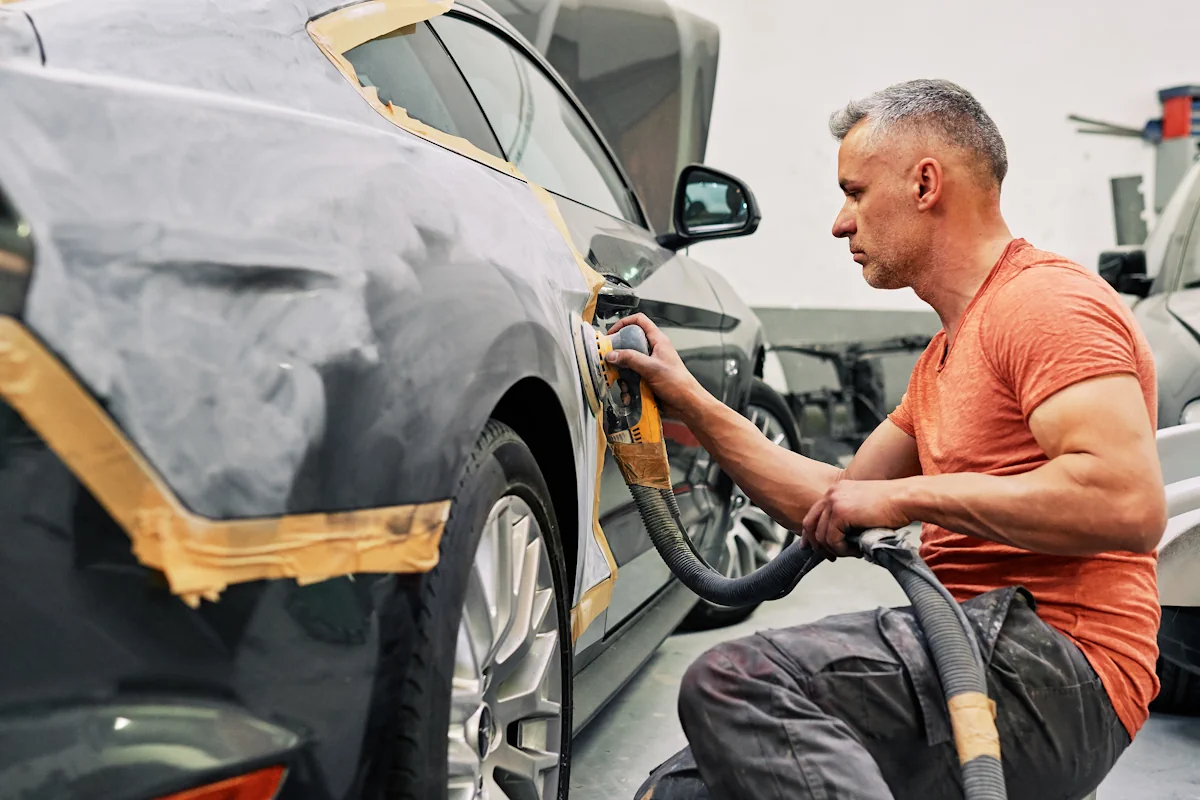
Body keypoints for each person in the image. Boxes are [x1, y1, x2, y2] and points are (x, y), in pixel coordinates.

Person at [611, 79, 1167, 800]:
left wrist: (906, 499)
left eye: (855, 192)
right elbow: (835, 500)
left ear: (925, 184)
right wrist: (687, 396)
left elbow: (1125, 502)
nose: (840, 224)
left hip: (1061, 664)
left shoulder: (1045, 304)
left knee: (741, 682)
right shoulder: (944, 358)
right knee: (681, 790)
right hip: (970, 643)